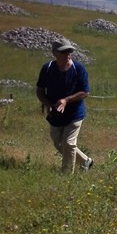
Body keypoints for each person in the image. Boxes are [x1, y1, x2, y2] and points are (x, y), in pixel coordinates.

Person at [36, 38, 93, 173]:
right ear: (54, 53)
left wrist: (66, 100)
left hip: (75, 114)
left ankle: (66, 175)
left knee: (68, 143)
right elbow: (40, 90)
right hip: (55, 114)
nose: (68, 54)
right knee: (59, 143)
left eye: (70, 51)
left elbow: (85, 92)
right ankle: (86, 161)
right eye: (64, 52)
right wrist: (48, 104)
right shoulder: (47, 68)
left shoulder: (78, 69)